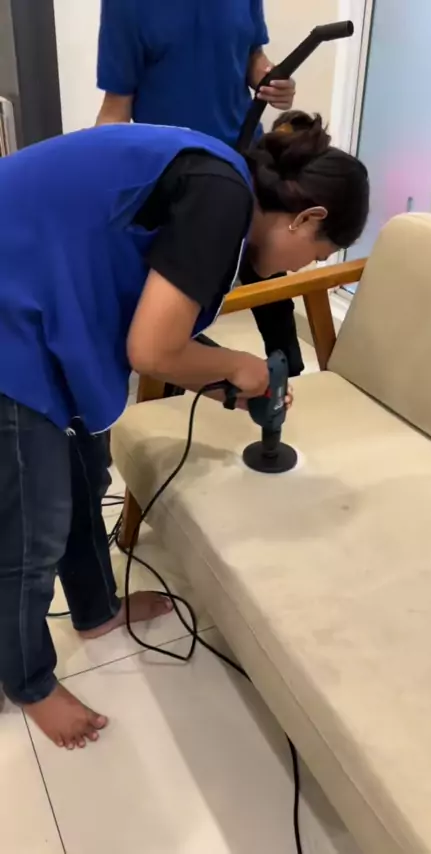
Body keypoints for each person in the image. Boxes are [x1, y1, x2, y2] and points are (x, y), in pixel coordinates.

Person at [0, 111, 369, 749]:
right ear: (306, 218)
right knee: (33, 526)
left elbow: (152, 323)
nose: (298, 270)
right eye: (317, 254)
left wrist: (221, 380)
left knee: (85, 477)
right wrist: (235, 365)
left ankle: (96, 611)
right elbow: (150, 350)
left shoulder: (220, 183)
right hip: (12, 311)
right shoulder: (222, 201)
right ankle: (27, 682)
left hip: (46, 300)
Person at [95, 0, 303, 376]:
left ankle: (291, 374)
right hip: (177, 174)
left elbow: (252, 56)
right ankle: (175, 380)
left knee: (266, 270)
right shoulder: (126, 5)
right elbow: (116, 108)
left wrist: (271, 80)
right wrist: (98, 183)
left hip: (244, 156)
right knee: (180, 295)